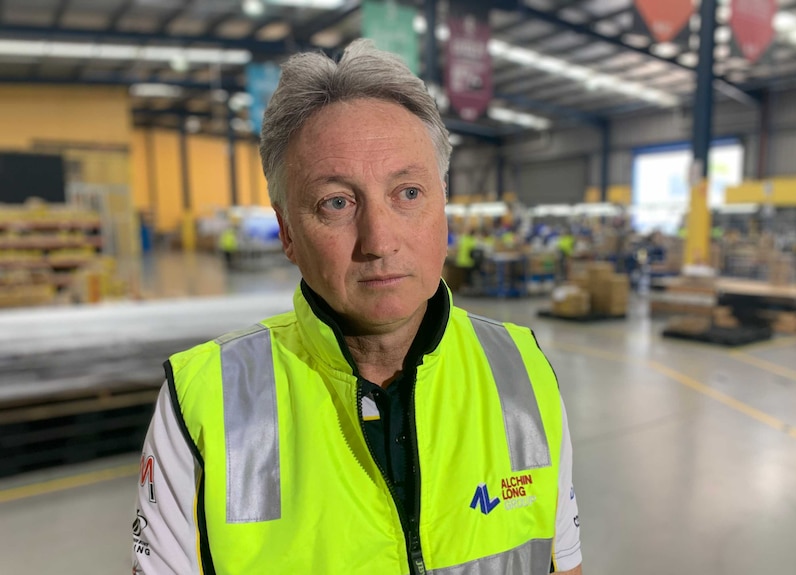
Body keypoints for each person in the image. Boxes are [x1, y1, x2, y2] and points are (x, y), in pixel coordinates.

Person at [132, 39, 582, 575]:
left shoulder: (523, 371)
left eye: (408, 193)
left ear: (444, 209)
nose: (379, 239)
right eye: (337, 203)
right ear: (288, 233)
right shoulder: (204, 403)